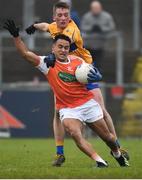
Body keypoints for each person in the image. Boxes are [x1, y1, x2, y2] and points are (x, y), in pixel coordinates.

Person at [3, 19, 130, 168]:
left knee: (107, 137)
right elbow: (25, 54)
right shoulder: (47, 64)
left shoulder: (77, 61)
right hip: (68, 109)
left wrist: (95, 75)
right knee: (75, 133)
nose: (63, 50)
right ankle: (100, 161)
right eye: (60, 47)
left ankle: (117, 153)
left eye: (66, 47)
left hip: (87, 103)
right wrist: (16, 36)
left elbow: (93, 74)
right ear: (53, 48)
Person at [81, 0, 116, 70]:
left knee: (99, 64)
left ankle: (98, 78)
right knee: (88, 64)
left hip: (100, 45)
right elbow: (82, 27)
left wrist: (102, 29)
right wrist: (91, 28)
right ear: (91, 9)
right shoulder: (87, 16)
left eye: (97, 8)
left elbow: (112, 27)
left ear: (100, 8)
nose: (96, 10)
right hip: (88, 45)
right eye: (94, 8)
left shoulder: (107, 16)